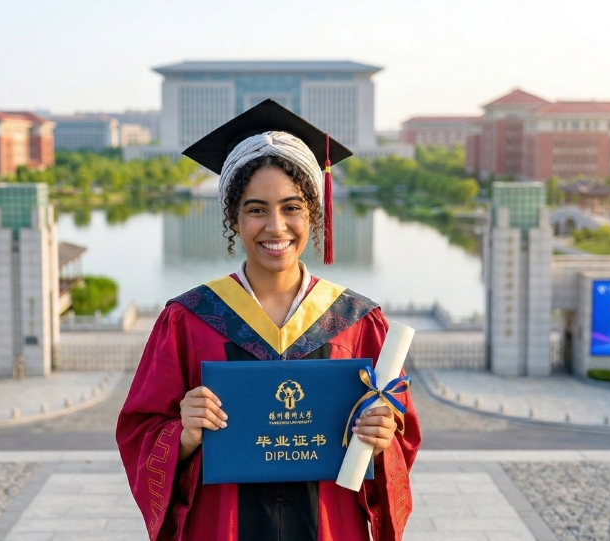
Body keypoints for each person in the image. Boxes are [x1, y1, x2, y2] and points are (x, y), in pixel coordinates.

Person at [117, 100, 420, 541]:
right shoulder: (189, 319)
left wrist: (381, 441)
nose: (276, 227)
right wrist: (183, 434)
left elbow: (401, 440)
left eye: (292, 207)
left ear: (313, 212)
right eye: (256, 209)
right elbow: (140, 432)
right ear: (234, 218)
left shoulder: (357, 321)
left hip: (328, 526)